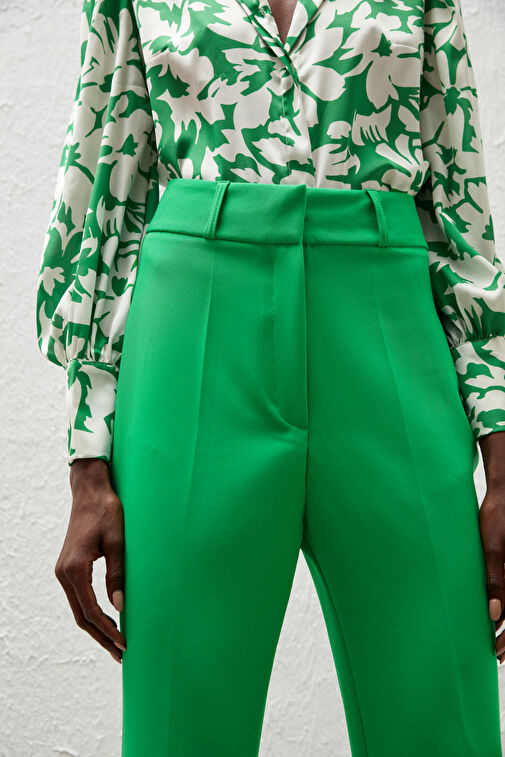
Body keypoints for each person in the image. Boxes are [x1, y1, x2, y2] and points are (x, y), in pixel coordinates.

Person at [35, 0, 505, 754]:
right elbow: (104, 207)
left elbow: (460, 212)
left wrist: (503, 460)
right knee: (181, 729)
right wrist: (87, 462)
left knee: (443, 715)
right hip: (197, 345)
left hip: (388, 339)